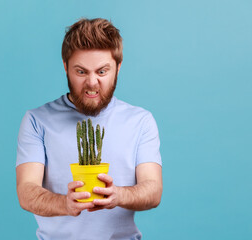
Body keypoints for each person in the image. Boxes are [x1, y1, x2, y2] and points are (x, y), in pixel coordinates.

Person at [16, 18, 163, 240]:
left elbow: (153, 190)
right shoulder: (37, 120)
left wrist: (118, 195)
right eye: (81, 72)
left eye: (102, 71)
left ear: (118, 67)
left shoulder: (140, 121)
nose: (92, 83)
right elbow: (26, 191)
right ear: (65, 66)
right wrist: (65, 204)